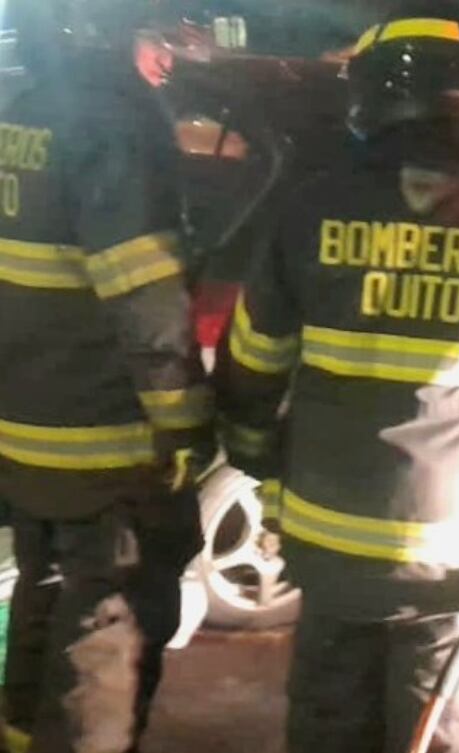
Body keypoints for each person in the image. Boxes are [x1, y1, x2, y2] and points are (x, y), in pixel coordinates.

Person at [213, 2, 459, 751]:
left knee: (329, 719)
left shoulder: (308, 213)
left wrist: (256, 455)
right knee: (433, 723)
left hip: (328, 539)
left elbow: (252, 367)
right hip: (454, 553)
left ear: (371, 94)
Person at [0, 1, 215, 751]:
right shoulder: (115, 128)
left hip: (26, 428)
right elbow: (145, 298)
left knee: (43, 596)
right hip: (104, 441)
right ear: (106, 33)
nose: (165, 61)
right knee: (109, 629)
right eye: (152, 41)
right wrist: (185, 421)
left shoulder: (20, 114)